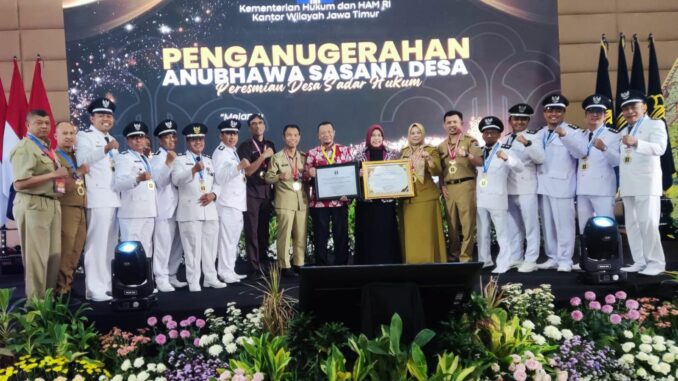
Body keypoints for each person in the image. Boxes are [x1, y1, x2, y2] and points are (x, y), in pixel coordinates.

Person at [11, 109, 69, 299]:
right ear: (28, 126)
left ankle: (48, 305)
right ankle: (36, 310)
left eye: (47, 123)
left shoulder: (48, 149)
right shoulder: (25, 147)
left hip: (52, 203)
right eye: (39, 122)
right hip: (34, 205)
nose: (44, 126)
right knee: (37, 260)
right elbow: (19, 183)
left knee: (53, 258)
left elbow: (57, 180)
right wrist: (53, 175)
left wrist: (62, 185)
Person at [616, 90, 667, 276]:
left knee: (648, 223)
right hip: (629, 184)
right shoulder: (623, 130)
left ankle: (656, 262)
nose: (630, 111)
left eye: (633, 106)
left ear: (644, 107)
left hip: (647, 183)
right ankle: (639, 261)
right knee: (632, 225)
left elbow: (660, 148)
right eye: (625, 108)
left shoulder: (655, 124)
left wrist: (637, 142)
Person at [76, 97, 121, 301]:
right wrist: (105, 149)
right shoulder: (85, 136)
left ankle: (107, 285)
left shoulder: (110, 139)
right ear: (92, 118)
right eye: (101, 115)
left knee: (110, 245)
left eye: (109, 115)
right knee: (96, 245)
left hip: (113, 198)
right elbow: (82, 161)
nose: (106, 118)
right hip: (97, 197)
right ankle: (94, 288)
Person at [172, 123, 226, 291]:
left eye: (200, 139)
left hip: (209, 210)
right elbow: (176, 181)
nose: (198, 142)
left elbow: (218, 183)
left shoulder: (209, 160)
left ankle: (210, 277)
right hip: (190, 211)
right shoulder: (180, 160)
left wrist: (214, 195)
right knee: (192, 248)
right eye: (194, 140)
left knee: (210, 247)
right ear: (187, 142)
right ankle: (193, 280)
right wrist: (193, 171)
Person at [465, 117, 523, 273]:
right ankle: (484, 261)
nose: (489, 135)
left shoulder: (506, 149)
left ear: (499, 134)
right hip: (481, 197)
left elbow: (519, 167)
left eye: (493, 132)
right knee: (482, 232)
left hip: (498, 197)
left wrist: (507, 158)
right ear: (483, 135)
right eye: (486, 132)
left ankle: (504, 263)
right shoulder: (479, 151)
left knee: (502, 233)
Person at [560, 94, 620, 235]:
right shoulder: (579, 134)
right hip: (583, 188)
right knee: (584, 227)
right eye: (591, 112)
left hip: (603, 189)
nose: (594, 115)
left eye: (598, 112)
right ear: (585, 116)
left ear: (605, 115)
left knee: (606, 225)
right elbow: (576, 154)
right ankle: (586, 255)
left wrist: (604, 148)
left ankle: (608, 254)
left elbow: (616, 161)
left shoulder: (613, 135)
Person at [534, 93, 579, 272]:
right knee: (548, 224)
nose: (554, 114)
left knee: (564, 225)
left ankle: (565, 260)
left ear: (563, 112)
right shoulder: (539, 133)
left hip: (562, 186)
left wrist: (565, 136)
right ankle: (552, 257)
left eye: (558, 110)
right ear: (544, 113)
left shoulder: (573, 131)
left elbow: (581, 152)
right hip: (543, 185)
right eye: (550, 110)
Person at [501, 104, 544, 273]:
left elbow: (540, 159)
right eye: (516, 118)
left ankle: (531, 259)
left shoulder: (535, 136)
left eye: (523, 119)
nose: (519, 122)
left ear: (528, 120)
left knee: (531, 225)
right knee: (513, 226)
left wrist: (527, 143)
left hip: (527, 186)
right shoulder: (505, 138)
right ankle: (516, 257)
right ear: (510, 120)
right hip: (509, 188)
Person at [304, 121, 354, 266]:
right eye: (323, 133)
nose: (326, 134)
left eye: (329, 131)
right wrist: (309, 173)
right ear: (318, 136)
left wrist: (349, 195)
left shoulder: (345, 151)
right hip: (319, 202)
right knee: (321, 235)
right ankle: (321, 265)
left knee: (341, 234)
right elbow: (305, 177)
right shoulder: (312, 153)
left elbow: (351, 175)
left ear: (334, 132)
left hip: (341, 200)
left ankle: (342, 264)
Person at [353, 124, 401, 264]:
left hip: (385, 204)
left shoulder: (392, 154)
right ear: (368, 137)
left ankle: (389, 263)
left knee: (385, 233)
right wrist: (358, 174)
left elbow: (398, 174)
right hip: (367, 205)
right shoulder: (359, 155)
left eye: (379, 135)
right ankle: (367, 264)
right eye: (373, 135)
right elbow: (352, 177)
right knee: (369, 235)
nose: (376, 138)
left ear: (383, 137)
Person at [265, 124, 310, 276]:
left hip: (301, 201)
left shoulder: (304, 157)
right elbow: (267, 177)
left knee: (301, 234)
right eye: (289, 135)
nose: (293, 138)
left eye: (295, 135)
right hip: (284, 201)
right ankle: (284, 266)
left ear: (299, 137)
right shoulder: (276, 157)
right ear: (284, 138)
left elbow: (308, 177)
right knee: (284, 236)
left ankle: (299, 263)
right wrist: (279, 176)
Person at [437, 111, 481, 262]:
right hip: (449, 188)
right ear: (444, 125)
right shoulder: (441, 146)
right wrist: (442, 185)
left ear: (461, 123)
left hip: (467, 185)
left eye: (454, 122)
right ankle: (454, 253)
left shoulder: (470, 141)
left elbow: (480, 162)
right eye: (448, 123)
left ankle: (465, 256)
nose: (451, 125)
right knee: (452, 224)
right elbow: (439, 169)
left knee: (467, 223)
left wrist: (467, 154)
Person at [399, 122, 445, 264]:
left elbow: (437, 171)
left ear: (423, 134)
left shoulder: (431, 150)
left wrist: (429, 160)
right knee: (412, 236)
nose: (415, 135)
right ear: (409, 135)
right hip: (407, 200)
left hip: (426, 197)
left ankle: (430, 264)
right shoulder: (404, 152)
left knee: (427, 235)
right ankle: (412, 264)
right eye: (412, 133)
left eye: (418, 132)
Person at [237, 114, 276, 274]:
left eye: (260, 123)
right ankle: (253, 266)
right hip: (251, 193)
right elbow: (248, 171)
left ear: (264, 126)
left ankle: (264, 262)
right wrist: (263, 157)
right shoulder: (245, 146)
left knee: (263, 232)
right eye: (253, 124)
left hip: (267, 192)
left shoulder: (270, 144)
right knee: (252, 231)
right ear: (249, 128)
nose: (257, 126)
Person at [151, 119, 186, 291]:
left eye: (173, 136)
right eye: (167, 136)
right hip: (163, 209)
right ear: (160, 139)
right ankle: (160, 278)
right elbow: (160, 181)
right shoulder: (157, 158)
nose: (171, 139)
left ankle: (172, 274)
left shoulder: (177, 156)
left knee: (176, 245)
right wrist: (168, 163)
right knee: (163, 244)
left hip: (178, 207)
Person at [213, 119, 250, 283]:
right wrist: (239, 167)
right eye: (228, 133)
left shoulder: (231, 151)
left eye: (234, 133)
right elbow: (220, 177)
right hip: (226, 203)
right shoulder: (220, 152)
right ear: (221, 135)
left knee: (233, 239)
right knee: (227, 240)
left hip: (235, 202)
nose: (232, 137)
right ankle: (224, 272)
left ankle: (229, 270)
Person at [54, 121, 89, 294]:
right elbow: (58, 189)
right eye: (64, 133)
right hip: (66, 207)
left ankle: (68, 285)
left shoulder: (77, 156)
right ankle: (61, 290)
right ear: (56, 136)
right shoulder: (54, 157)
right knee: (66, 251)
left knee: (76, 251)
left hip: (81, 207)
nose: (69, 137)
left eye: (71, 133)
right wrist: (77, 172)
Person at [114, 121, 157, 258]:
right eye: (134, 137)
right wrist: (137, 179)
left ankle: (145, 279)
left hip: (148, 210)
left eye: (141, 137)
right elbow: (119, 183)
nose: (138, 140)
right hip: (132, 212)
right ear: (127, 141)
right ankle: (132, 280)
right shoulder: (124, 158)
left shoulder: (145, 158)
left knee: (146, 249)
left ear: (145, 139)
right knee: (131, 251)